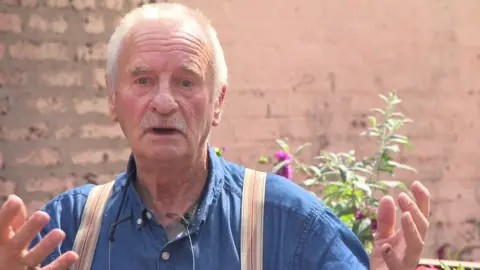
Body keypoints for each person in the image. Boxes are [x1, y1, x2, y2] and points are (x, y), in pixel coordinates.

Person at [0, 2, 430, 270]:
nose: (164, 102)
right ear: (113, 101)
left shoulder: (293, 227)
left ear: (218, 102)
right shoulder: (66, 231)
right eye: (143, 80)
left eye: (187, 82)